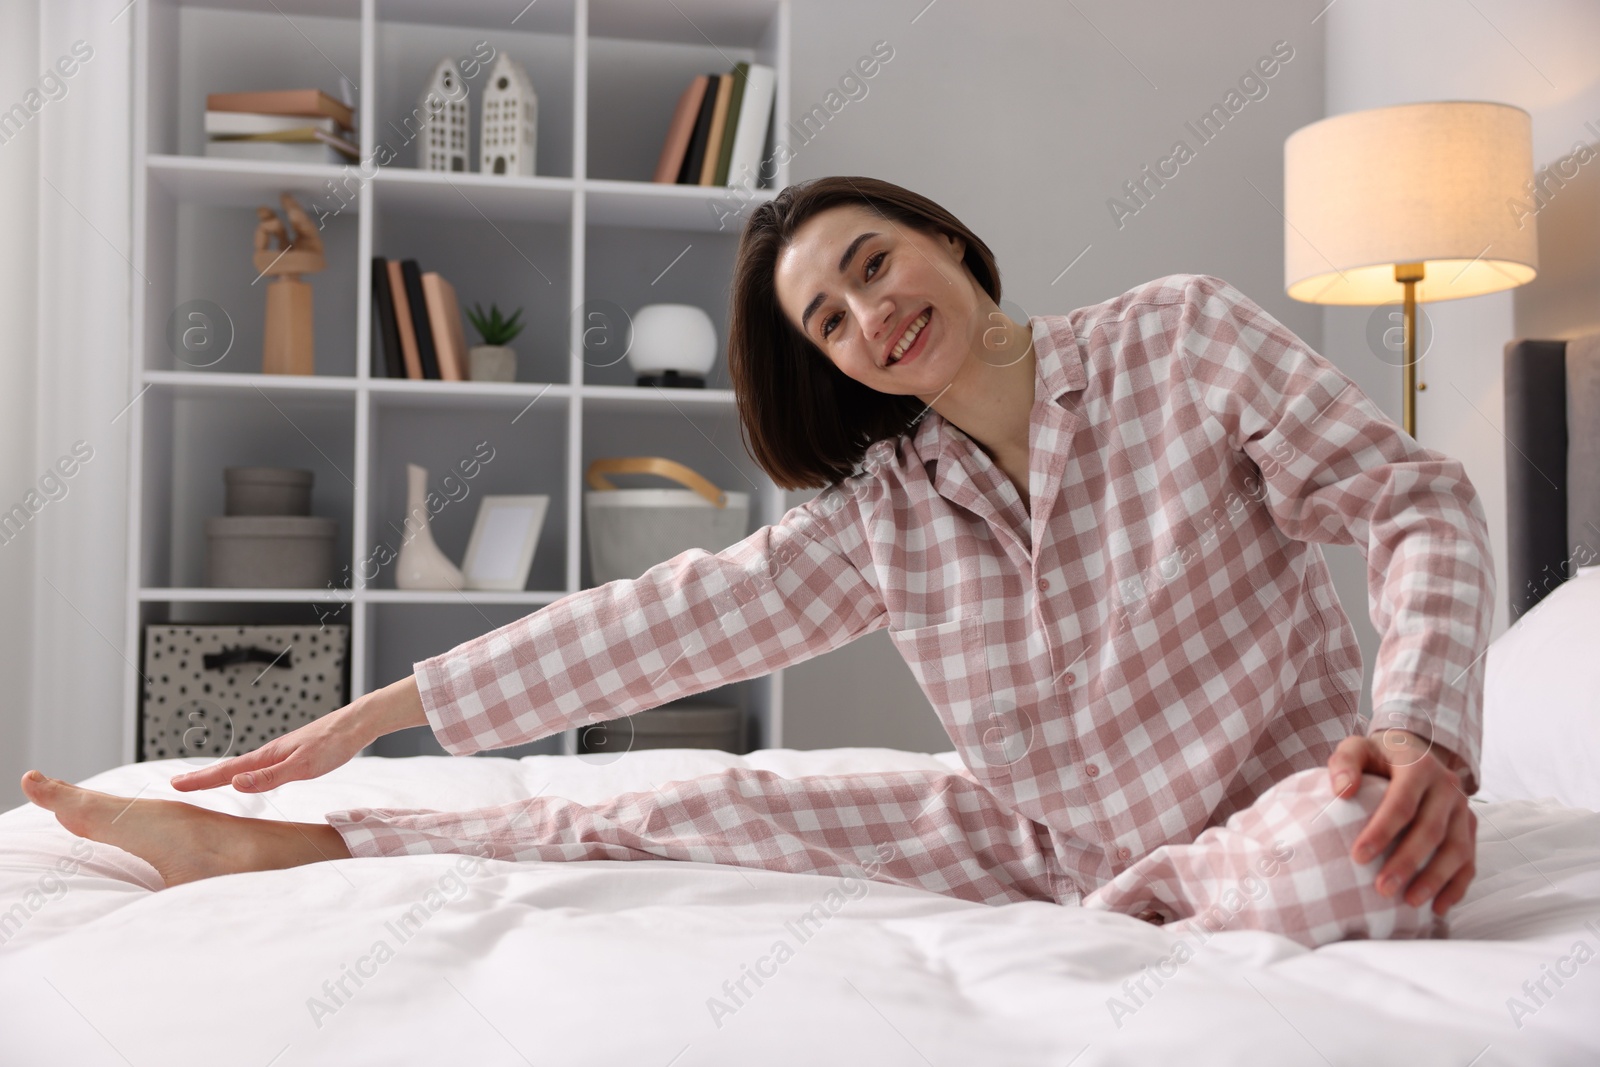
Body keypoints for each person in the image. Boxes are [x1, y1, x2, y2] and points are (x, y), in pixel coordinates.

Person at [21, 176, 1494, 949]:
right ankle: (296, 848)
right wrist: (370, 719)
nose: (868, 319)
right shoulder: (887, 510)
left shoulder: (1180, 337)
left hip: (1286, 802)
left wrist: (1422, 722)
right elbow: (659, 624)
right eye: (829, 325)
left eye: (871, 266)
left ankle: (1171, 894)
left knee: (1354, 873)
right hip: (1039, 837)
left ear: (943, 242)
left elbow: (1418, 501)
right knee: (678, 804)